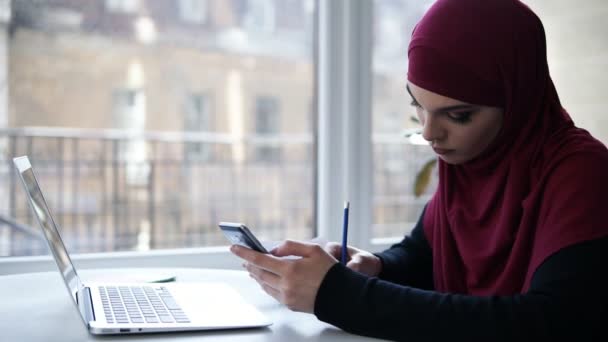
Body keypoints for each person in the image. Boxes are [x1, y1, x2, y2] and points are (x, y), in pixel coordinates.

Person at [230, 0, 608, 340]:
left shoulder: (583, 173)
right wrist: (374, 267)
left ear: (519, 100)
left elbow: (553, 321)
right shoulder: (473, 163)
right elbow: (419, 256)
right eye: (419, 107)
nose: (429, 132)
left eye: (458, 115)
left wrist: (339, 296)